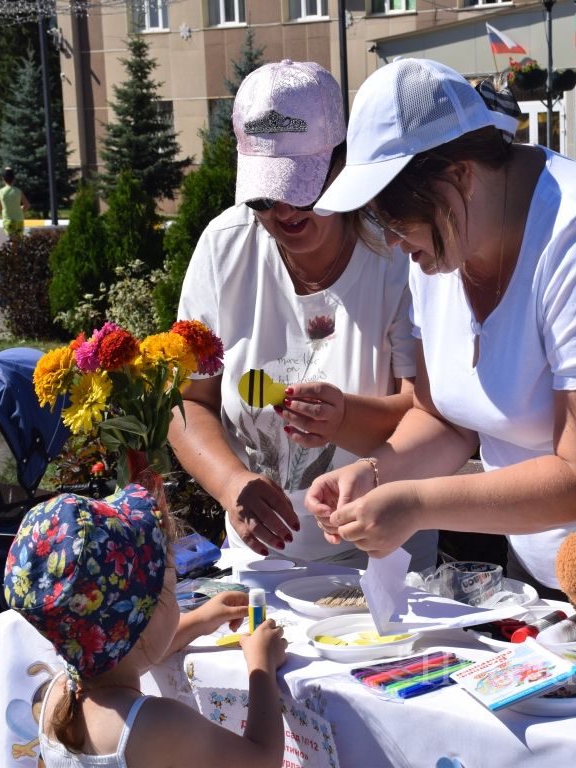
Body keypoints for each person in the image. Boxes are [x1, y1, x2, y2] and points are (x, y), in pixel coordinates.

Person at [306, 58, 576, 607]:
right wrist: (378, 474)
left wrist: (416, 504)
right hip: (546, 553)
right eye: (380, 219)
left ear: (459, 176)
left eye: (396, 215)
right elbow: (441, 418)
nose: (394, 239)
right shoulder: (441, 247)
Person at [168, 59, 437, 571]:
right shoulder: (225, 247)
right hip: (263, 565)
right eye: (266, 195)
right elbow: (189, 400)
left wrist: (345, 419)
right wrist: (232, 484)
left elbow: (433, 413)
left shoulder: (398, 251)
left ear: (343, 163)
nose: (285, 211)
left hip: (388, 562)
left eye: (303, 188)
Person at [3, 485, 288, 767]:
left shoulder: (56, 695)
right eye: (170, 591)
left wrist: (200, 620)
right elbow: (263, 760)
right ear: (139, 625)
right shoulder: (159, 724)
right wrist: (262, 664)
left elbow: (135, 654)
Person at [0, 166, 30, 238]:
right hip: (19, 220)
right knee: (18, 241)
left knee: (11, 240)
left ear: (3, 179)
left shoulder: (1, 192)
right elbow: (27, 205)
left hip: (8, 220)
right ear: (14, 179)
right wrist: (21, 209)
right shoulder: (18, 191)